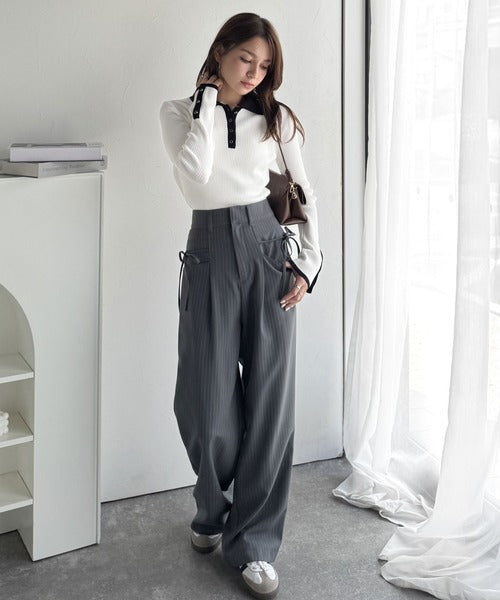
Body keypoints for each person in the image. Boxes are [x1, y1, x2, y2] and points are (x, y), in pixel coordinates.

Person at [159, 12, 323, 599]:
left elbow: (302, 193)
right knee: (205, 403)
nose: (254, 73)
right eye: (245, 60)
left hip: (267, 252)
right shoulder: (179, 112)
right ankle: (212, 507)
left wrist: (307, 264)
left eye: (265, 65)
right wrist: (209, 99)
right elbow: (194, 180)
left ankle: (253, 543)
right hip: (208, 253)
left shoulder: (277, 120)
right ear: (220, 53)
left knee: (270, 403)